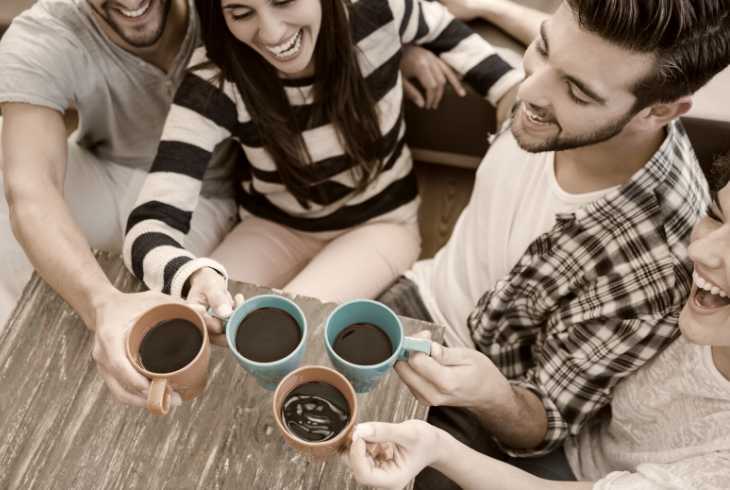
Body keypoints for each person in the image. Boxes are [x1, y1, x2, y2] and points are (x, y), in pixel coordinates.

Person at [374, 0, 730, 485]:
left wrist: (488, 394)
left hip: (472, 395)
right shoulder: (563, 92)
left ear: (659, 111)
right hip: (420, 292)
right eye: (542, 46)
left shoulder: (653, 266)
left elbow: (540, 427)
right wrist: (484, 10)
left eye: (577, 92)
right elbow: (566, 62)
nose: (529, 89)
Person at [348, 152, 730, 490]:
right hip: (572, 431)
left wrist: (439, 447)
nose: (699, 251)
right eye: (716, 215)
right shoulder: (705, 299)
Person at [122, 0, 523, 319]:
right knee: (193, 317)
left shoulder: (379, 10)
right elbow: (149, 226)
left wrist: (507, 164)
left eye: (284, 1)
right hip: (272, 225)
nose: (271, 32)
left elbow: (508, 83)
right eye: (241, 12)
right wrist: (193, 274)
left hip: (380, 223)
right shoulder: (215, 77)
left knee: (282, 326)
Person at [0, 0, 238, 407]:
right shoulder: (44, 33)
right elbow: (30, 192)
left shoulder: (229, 10)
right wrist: (100, 303)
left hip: (202, 196)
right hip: (104, 169)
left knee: (175, 321)